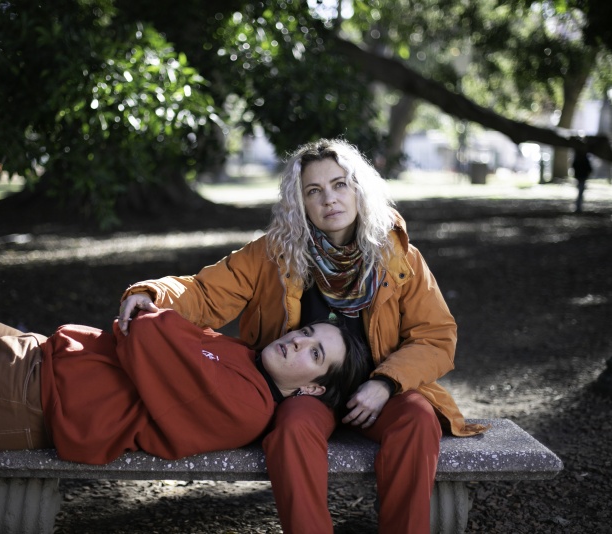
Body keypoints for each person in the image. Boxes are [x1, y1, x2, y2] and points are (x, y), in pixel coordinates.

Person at [118, 138, 488, 534]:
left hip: (380, 391)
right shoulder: (273, 253)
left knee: (417, 417)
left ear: (359, 189)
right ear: (301, 202)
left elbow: (436, 336)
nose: (329, 199)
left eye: (340, 184)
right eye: (314, 191)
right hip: (303, 391)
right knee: (293, 428)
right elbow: (205, 293)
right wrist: (154, 293)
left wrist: (385, 383)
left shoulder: (401, 259)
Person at [0, 286, 371, 534]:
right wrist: (162, 325)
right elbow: (157, 328)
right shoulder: (243, 355)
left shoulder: (247, 406)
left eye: (314, 354)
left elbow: (145, 330)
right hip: (39, 350)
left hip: (24, 399)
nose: (297, 342)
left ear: (311, 389)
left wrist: (159, 323)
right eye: (306, 332)